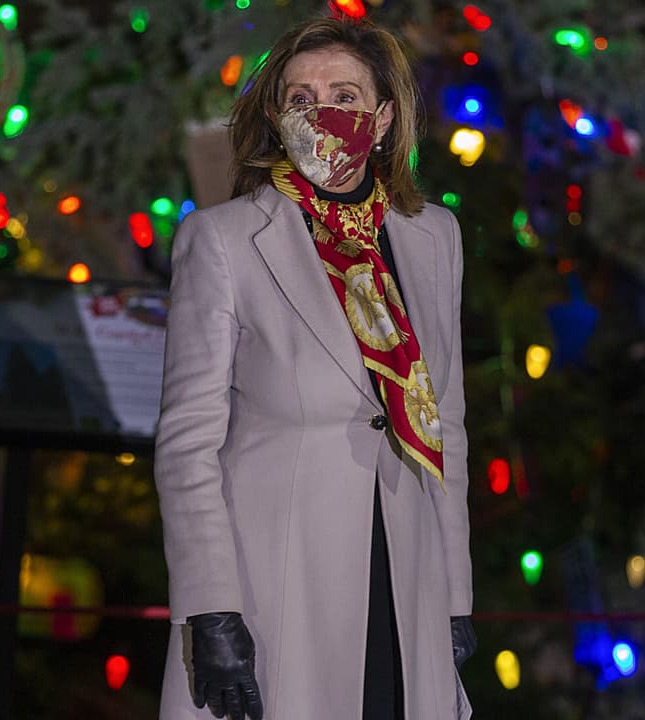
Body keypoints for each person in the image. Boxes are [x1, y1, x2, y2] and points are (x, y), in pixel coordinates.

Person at [155, 16, 474, 720]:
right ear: (276, 117)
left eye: (345, 96)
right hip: (278, 575)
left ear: (383, 119)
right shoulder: (224, 240)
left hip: (406, 573)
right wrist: (210, 606)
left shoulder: (432, 237)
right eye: (301, 98)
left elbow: (443, 424)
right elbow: (187, 444)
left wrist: (454, 598)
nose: (322, 113)